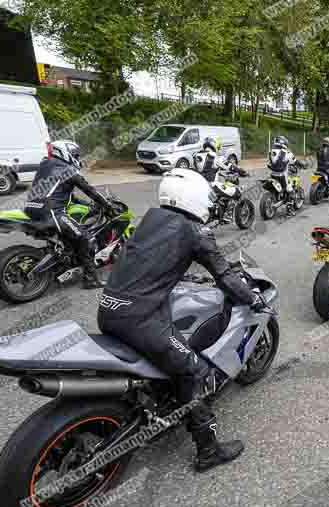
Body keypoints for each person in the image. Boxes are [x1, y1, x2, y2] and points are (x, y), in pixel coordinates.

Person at [98, 172, 269, 473]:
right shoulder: (195, 231)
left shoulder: (150, 219)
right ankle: (208, 451)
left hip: (109, 309)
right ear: (194, 197)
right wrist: (253, 299)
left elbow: (149, 262)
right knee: (195, 370)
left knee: (169, 356)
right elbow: (225, 275)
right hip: (140, 319)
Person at [24, 141, 114, 289]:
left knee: (71, 235)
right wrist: (107, 205)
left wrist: (87, 205)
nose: (77, 158)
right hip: (51, 212)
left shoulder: (45, 166)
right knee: (87, 239)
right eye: (75, 155)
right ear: (65, 153)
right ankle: (91, 279)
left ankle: (64, 260)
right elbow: (90, 190)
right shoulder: (68, 170)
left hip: (31, 209)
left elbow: (64, 194)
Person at [267, 136, 305, 216]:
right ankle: (289, 211)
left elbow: (270, 164)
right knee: (290, 191)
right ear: (283, 143)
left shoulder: (271, 151)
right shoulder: (287, 153)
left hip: (272, 174)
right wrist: (302, 165)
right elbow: (295, 162)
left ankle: (277, 198)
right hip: (282, 176)